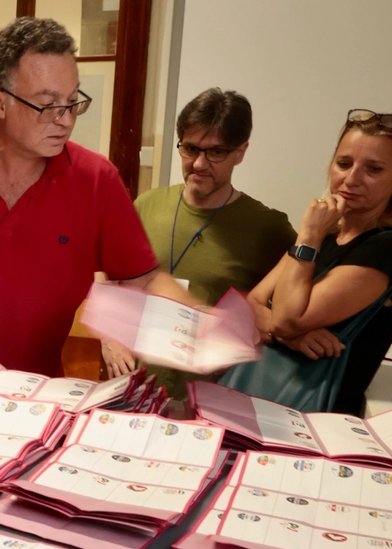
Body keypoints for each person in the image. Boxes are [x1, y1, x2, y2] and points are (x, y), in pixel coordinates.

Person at [0, 17, 197, 376]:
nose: (64, 119)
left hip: (40, 390)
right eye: (47, 105)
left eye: (72, 101)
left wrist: (202, 321)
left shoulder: (97, 179)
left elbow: (142, 276)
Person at [108, 88, 297, 395]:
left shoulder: (268, 227)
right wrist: (111, 340)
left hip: (212, 401)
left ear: (241, 151)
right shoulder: (147, 204)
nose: (198, 164)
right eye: (190, 149)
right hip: (131, 391)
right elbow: (112, 276)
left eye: (216, 152)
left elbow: (291, 309)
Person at [244, 109, 392, 415]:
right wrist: (292, 339)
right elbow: (252, 302)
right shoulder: (327, 238)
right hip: (271, 402)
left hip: (320, 416)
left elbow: (286, 318)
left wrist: (309, 234)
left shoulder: (389, 248)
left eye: (374, 169)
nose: (351, 179)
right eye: (344, 163)